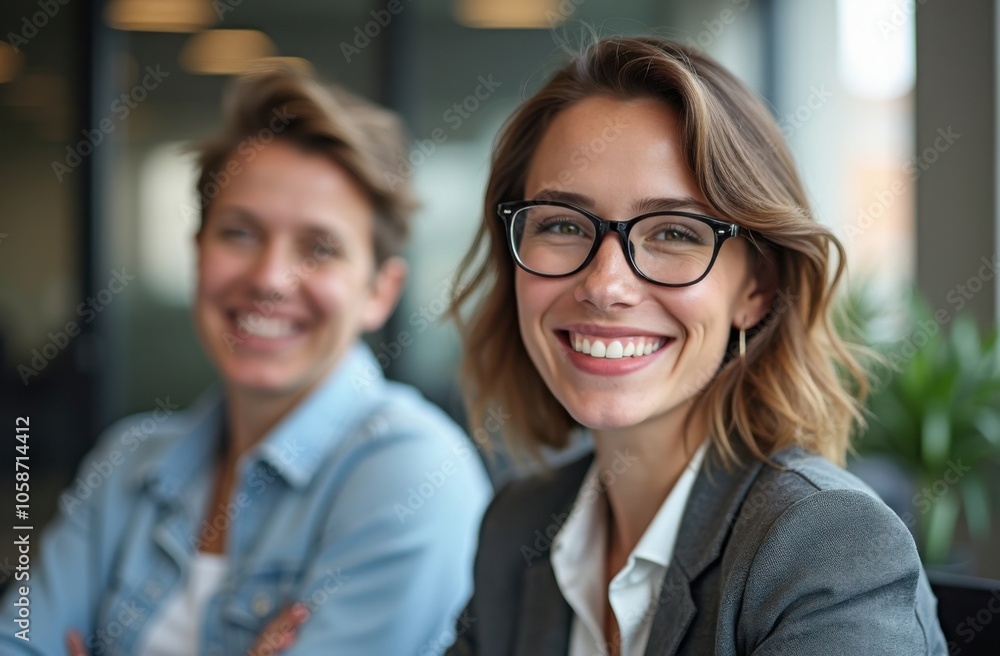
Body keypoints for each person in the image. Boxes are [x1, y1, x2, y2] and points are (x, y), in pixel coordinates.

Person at [445, 37, 947, 655]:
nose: (605, 286)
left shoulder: (824, 544)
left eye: (675, 232)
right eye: (563, 225)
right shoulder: (518, 526)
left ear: (756, 289)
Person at [0, 67, 491, 655]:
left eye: (319, 248)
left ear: (380, 292)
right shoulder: (127, 465)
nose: (269, 278)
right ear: (198, 254)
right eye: (239, 233)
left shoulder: (412, 473)